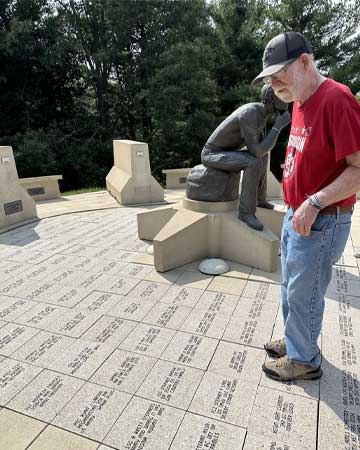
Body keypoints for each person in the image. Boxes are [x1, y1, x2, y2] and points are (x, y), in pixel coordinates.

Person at [252, 31, 360, 381]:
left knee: (305, 289)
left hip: (322, 218)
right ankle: (296, 339)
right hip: (298, 214)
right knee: (292, 286)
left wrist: (314, 201)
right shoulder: (299, 99)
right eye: (270, 77)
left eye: (279, 72)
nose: (274, 82)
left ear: (304, 61)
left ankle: (304, 359)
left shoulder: (336, 99)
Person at [201, 86, 290, 231]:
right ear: (272, 99)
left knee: (263, 157)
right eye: (282, 95)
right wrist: (278, 127)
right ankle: (246, 213)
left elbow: (262, 148)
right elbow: (257, 151)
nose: (287, 99)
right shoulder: (251, 113)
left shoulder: (261, 114)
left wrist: (275, 128)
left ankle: (260, 200)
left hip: (228, 152)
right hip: (212, 154)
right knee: (253, 162)